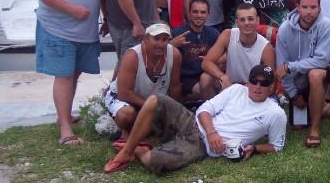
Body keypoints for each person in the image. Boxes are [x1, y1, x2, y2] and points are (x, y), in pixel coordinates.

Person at [103, 65, 286, 174]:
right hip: (194, 123)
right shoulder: (237, 90)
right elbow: (205, 109)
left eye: (264, 83)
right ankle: (128, 150)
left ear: (271, 88)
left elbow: (276, 146)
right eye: (254, 81)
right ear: (248, 82)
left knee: (153, 161)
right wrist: (211, 131)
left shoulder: (275, 113)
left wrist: (254, 148)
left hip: (202, 145)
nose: (258, 86)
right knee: (156, 100)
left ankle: (141, 150)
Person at [34, 0, 106, 146]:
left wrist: (105, 17)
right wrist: (71, 9)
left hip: (86, 31)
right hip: (58, 28)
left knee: (75, 73)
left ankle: (64, 114)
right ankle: (65, 128)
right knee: (64, 75)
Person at [274, 0, 330, 147]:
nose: (309, 12)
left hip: (321, 74)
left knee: (315, 74)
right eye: (305, 7)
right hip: (297, 80)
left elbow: (322, 61)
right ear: (297, 7)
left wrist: (291, 66)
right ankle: (324, 108)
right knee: (297, 126)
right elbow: (282, 66)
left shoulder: (327, 25)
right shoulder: (285, 29)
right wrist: (293, 95)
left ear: (319, 7)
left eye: (313, 7)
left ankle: (314, 131)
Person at [104, 23, 182, 141]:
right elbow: (124, 93)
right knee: (126, 116)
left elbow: (175, 86)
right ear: (146, 39)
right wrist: (151, 107)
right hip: (124, 98)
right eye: (156, 39)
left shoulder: (175, 55)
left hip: (152, 101)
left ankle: (138, 128)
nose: (160, 44)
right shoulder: (132, 55)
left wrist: (174, 111)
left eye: (164, 40)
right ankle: (127, 127)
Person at [201, 3, 276, 98]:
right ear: (236, 22)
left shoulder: (266, 48)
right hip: (229, 85)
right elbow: (206, 62)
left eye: (250, 19)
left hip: (252, 89)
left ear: (257, 20)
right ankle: (213, 110)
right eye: (242, 19)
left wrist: (256, 91)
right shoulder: (228, 35)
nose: (246, 23)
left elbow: (271, 83)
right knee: (205, 78)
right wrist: (222, 76)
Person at [170, 0, 220, 102]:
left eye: (203, 12)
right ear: (189, 13)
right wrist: (171, 44)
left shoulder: (213, 33)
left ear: (208, 14)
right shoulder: (178, 33)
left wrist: (211, 60)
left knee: (223, 87)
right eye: (195, 12)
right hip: (187, 79)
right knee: (202, 90)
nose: (199, 15)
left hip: (208, 74)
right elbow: (161, 56)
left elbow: (224, 58)